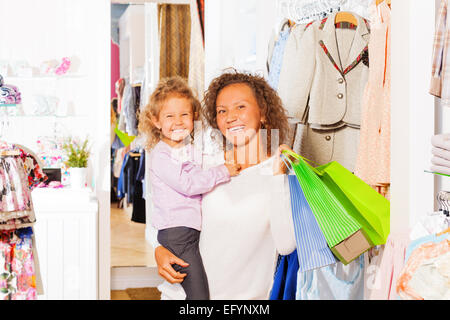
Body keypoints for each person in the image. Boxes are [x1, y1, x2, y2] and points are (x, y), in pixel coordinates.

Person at [151, 70, 297, 300]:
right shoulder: (206, 165)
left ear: (263, 113)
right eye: (222, 111)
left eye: (241, 107)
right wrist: (158, 249)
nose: (230, 117)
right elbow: (166, 208)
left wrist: (279, 176)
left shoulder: (278, 173)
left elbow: (287, 244)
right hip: (179, 296)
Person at [138, 76, 241, 300]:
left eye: (184, 114)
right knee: (199, 297)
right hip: (177, 235)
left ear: (194, 116)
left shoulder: (187, 148)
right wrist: (224, 171)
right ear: (156, 121)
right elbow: (189, 184)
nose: (178, 121)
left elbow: (203, 163)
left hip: (188, 232)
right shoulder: (162, 155)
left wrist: (223, 159)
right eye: (169, 116)